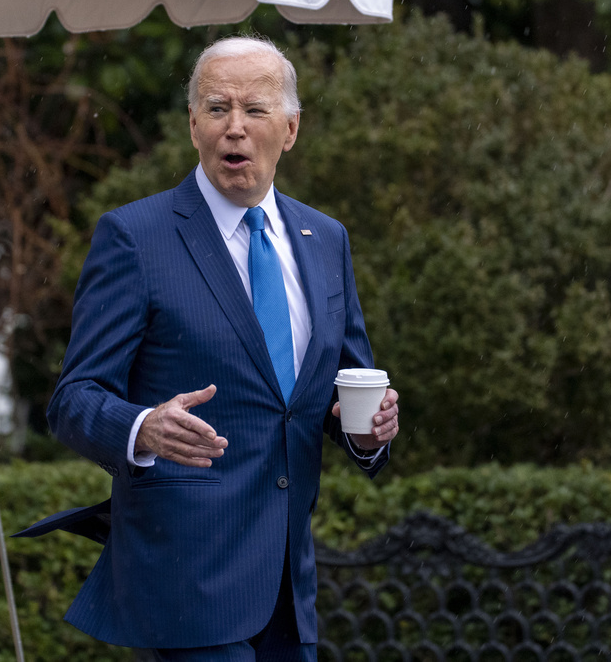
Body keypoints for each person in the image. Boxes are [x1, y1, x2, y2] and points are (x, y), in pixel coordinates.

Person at [21, 35, 400, 661]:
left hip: (287, 584)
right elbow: (73, 399)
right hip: (183, 581)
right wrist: (142, 427)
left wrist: (370, 432)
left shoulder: (325, 239)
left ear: (291, 128)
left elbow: (346, 389)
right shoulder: (135, 238)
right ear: (193, 125)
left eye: (255, 110)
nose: (235, 129)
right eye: (217, 108)